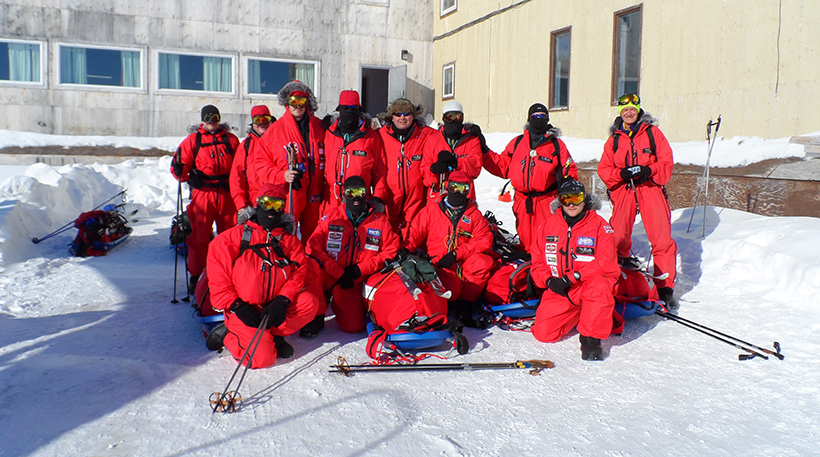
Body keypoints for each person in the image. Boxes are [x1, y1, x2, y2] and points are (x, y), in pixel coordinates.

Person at [206, 183, 322, 368]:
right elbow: (219, 281)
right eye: (267, 203)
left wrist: (283, 300)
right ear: (258, 204)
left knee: (309, 303)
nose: (272, 209)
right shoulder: (229, 240)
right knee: (262, 360)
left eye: (278, 205)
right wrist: (237, 306)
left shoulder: (289, 242)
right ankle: (230, 335)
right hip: (243, 309)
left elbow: (298, 273)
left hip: (272, 306)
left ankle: (270, 335)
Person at [597, 93, 678, 308]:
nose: (629, 113)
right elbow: (604, 169)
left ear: (638, 109)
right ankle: (621, 280)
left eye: (632, 109)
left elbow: (667, 162)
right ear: (620, 113)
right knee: (617, 237)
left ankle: (665, 288)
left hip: (650, 188)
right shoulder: (614, 139)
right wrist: (621, 174)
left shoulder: (653, 133)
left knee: (661, 239)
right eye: (625, 110)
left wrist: (649, 170)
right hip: (624, 191)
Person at [529, 179, 621, 361]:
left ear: (585, 199)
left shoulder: (600, 226)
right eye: (566, 199)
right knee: (543, 334)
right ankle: (584, 313)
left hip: (587, 284)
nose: (571, 204)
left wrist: (573, 277)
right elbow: (537, 261)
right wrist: (548, 280)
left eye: (577, 198)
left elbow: (605, 262)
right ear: (559, 200)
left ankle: (590, 340)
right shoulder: (547, 226)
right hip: (562, 289)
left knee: (600, 285)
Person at [306, 176, 400, 333]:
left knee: (353, 326)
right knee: (309, 266)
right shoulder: (332, 216)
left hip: (353, 278)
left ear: (366, 194)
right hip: (329, 273)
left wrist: (360, 269)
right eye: (351, 193)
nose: (355, 198)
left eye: (360, 193)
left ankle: (340, 300)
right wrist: (337, 271)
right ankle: (318, 312)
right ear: (344, 194)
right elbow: (312, 247)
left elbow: (391, 250)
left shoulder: (379, 220)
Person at [404, 170, 495, 326]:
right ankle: (449, 305)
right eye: (454, 187)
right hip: (439, 264)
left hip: (462, 262)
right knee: (450, 289)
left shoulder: (473, 214)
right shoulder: (432, 210)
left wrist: (456, 254)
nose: (458, 193)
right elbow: (414, 232)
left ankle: (467, 306)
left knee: (481, 262)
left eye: (463, 189)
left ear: (469, 190)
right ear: (447, 187)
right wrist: (405, 249)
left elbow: (485, 239)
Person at [483, 103, 578, 250]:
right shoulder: (517, 143)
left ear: (547, 119)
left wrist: (567, 182)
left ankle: (544, 268)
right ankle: (526, 267)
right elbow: (501, 166)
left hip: (546, 201)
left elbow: (569, 170)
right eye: (535, 116)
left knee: (547, 239)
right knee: (525, 240)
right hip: (522, 202)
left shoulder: (556, 145)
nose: (539, 119)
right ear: (529, 119)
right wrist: (483, 149)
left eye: (542, 116)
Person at [171, 105, 240, 293]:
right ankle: (196, 276)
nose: (212, 122)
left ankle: (230, 273)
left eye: (215, 117)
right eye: (208, 118)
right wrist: (181, 173)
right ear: (202, 120)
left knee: (230, 236)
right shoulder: (194, 140)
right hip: (203, 194)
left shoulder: (231, 140)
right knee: (200, 237)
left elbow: (241, 164)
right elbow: (179, 165)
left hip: (226, 193)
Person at [252, 81, 325, 241]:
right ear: (287, 103)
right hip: (290, 191)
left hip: (315, 191)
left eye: (302, 101)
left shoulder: (318, 126)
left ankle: (309, 264)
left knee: (315, 237)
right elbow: (260, 163)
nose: (298, 106)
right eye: (294, 102)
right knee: (286, 235)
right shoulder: (275, 130)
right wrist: (281, 175)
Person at [378, 98, 439, 240]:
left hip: (415, 196)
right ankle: (390, 256)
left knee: (413, 230)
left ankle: (409, 255)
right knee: (387, 229)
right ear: (391, 117)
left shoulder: (425, 134)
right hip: (389, 195)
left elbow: (447, 134)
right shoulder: (380, 135)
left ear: (413, 115)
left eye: (406, 113)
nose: (402, 118)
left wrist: (467, 130)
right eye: (398, 114)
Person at [322, 90, 388, 211]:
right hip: (331, 200)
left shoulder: (370, 137)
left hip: (359, 200)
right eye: (345, 107)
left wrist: (378, 196)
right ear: (339, 109)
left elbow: (380, 170)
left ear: (359, 111)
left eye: (353, 108)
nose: (349, 112)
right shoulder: (328, 134)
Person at [423, 100, 485, 202]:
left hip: (464, 196)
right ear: (443, 118)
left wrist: (456, 162)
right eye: (449, 117)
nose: (453, 121)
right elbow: (424, 171)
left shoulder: (471, 140)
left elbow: (475, 167)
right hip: (438, 197)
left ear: (462, 118)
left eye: (457, 117)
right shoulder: (432, 140)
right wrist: (433, 169)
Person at [230, 105, 276, 224]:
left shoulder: (279, 141)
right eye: (257, 120)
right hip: (253, 203)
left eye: (265, 119)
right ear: (252, 122)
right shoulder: (246, 146)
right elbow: (236, 177)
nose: (261, 123)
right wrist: (241, 204)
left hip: (275, 203)